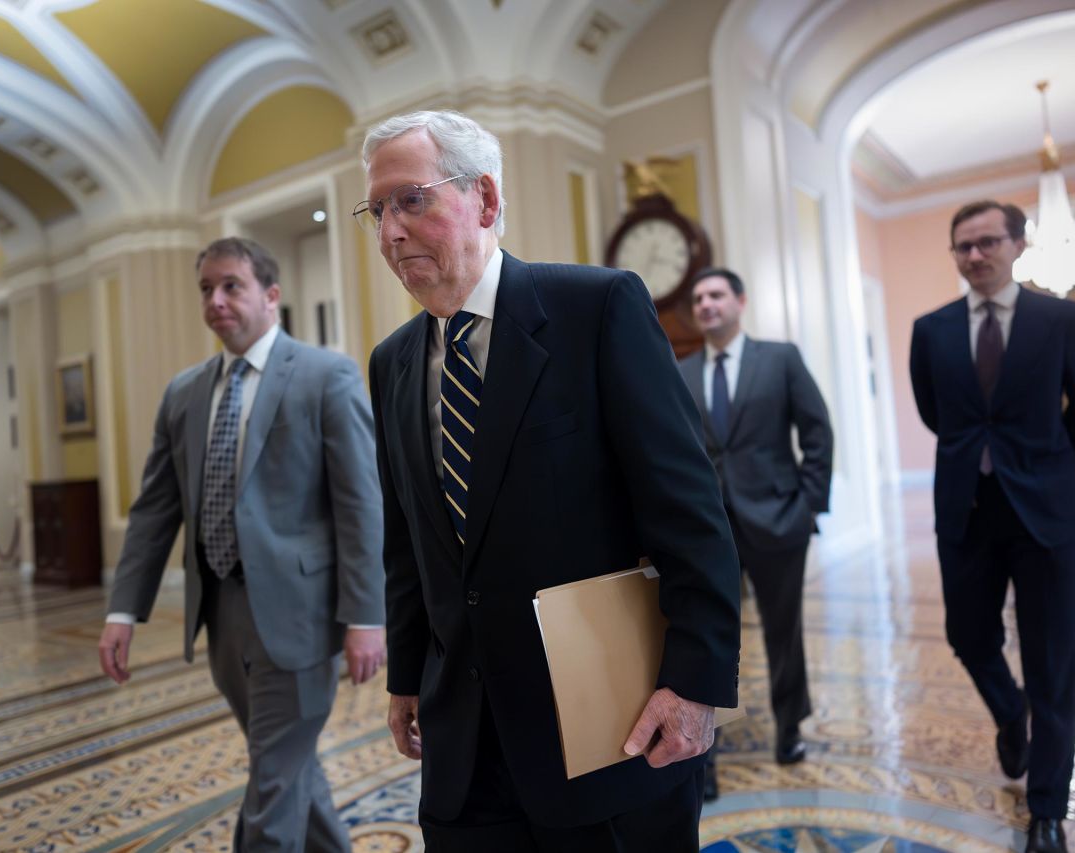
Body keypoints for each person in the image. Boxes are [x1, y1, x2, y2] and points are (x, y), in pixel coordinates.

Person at [360, 110, 741, 853]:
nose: (389, 233)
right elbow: (407, 539)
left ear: (487, 201)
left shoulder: (595, 309)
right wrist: (406, 675)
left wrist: (694, 685)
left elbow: (690, 515)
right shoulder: (393, 363)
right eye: (377, 211)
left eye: (412, 200)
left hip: (607, 734)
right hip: (464, 747)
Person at [97, 237, 385, 853]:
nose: (216, 300)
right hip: (222, 615)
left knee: (272, 790)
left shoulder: (324, 375)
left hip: (302, 617)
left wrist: (367, 615)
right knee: (290, 767)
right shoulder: (184, 393)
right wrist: (123, 610)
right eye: (206, 288)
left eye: (231, 285)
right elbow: (154, 510)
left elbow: (360, 503)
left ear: (271, 295)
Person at [909, 201, 1075, 853]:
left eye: (988, 241)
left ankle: (1047, 807)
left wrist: (1043, 465)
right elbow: (938, 414)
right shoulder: (930, 329)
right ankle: (1007, 708)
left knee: (1052, 660)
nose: (975, 255)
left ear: (1018, 244)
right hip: (965, 505)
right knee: (968, 633)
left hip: (1044, 510)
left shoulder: (1063, 319)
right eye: (962, 246)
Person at [677, 268, 833, 798]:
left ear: (740, 301)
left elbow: (817, 431)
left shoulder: (780, 359)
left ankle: (790, 726)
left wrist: (808, 504)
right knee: (710, 638)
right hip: (708, 531)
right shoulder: (681, 370)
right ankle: (706, 753)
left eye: (716, 294)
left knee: (782, 631)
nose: (706, 304)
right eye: (699, 297)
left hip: (778, 520)